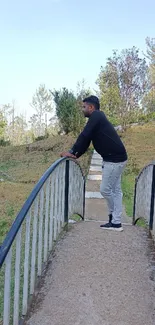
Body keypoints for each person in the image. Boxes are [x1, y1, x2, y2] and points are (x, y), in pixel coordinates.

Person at [60, 95, 127, 231]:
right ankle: (115, 221)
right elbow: (87, 140)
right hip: (115, 158)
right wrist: (76, 154)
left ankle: (115, 219)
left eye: (84, 107)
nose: (82, 109)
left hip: (114, 160)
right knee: (116, 191)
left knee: (105, 189)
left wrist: (72, 150)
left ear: (91, 107)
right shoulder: (97, 119)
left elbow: (84, 135)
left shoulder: (96, 116)